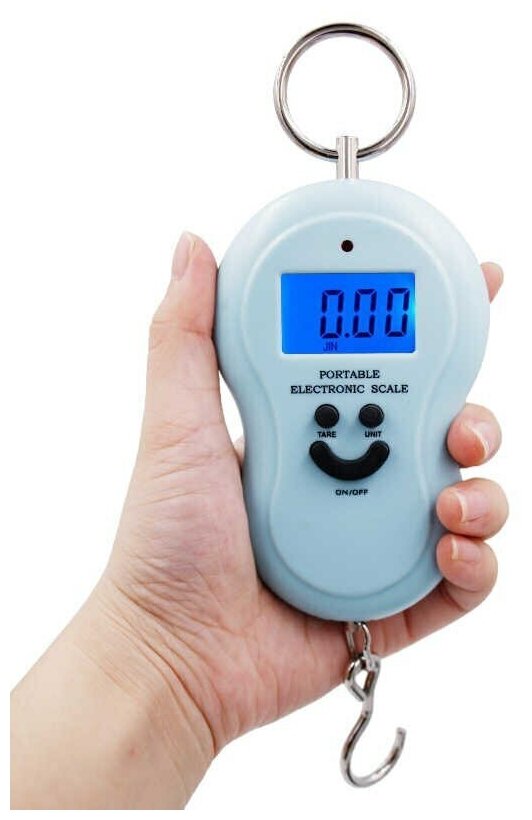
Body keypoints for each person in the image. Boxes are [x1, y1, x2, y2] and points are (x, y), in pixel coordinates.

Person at [10, 234, 508, 809]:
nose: (348, 349)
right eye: (328, 317)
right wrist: (165, 650)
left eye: (380, 316)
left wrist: (171, 676)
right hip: (291, 570)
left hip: (401, 561)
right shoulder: (419, 259)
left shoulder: (311, 259)